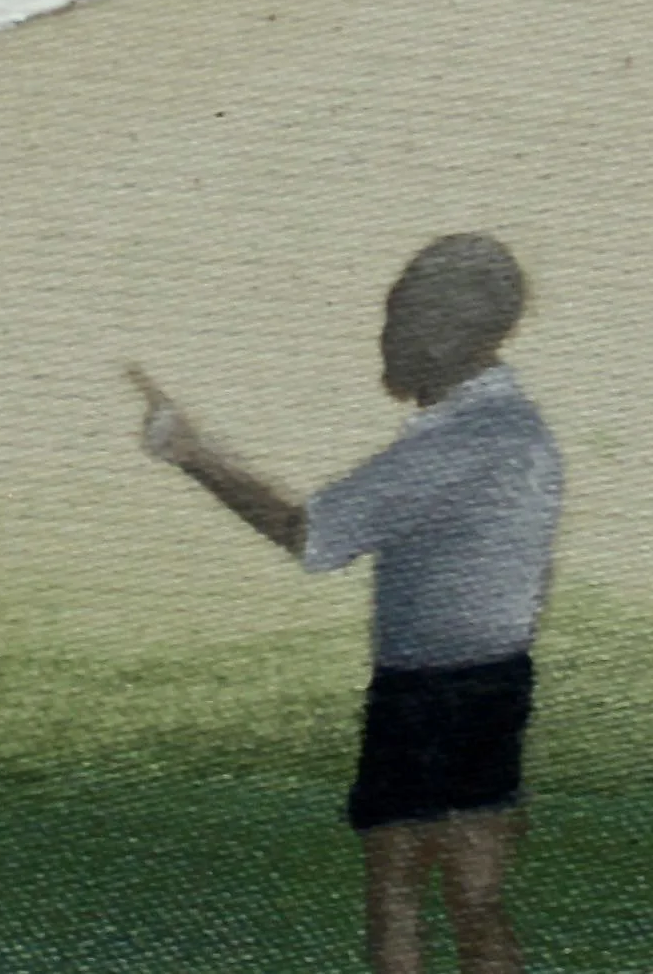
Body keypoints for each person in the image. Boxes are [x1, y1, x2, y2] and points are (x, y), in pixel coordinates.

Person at [129, 233, 561, 974]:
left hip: (422, 692)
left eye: (402, 320)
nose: (388, 339)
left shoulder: (451, 446)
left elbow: (310, 534)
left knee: (398, 898)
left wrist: (192, 453)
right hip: (498, 685)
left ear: (444, 332)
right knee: (477, 898)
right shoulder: (526, 435)